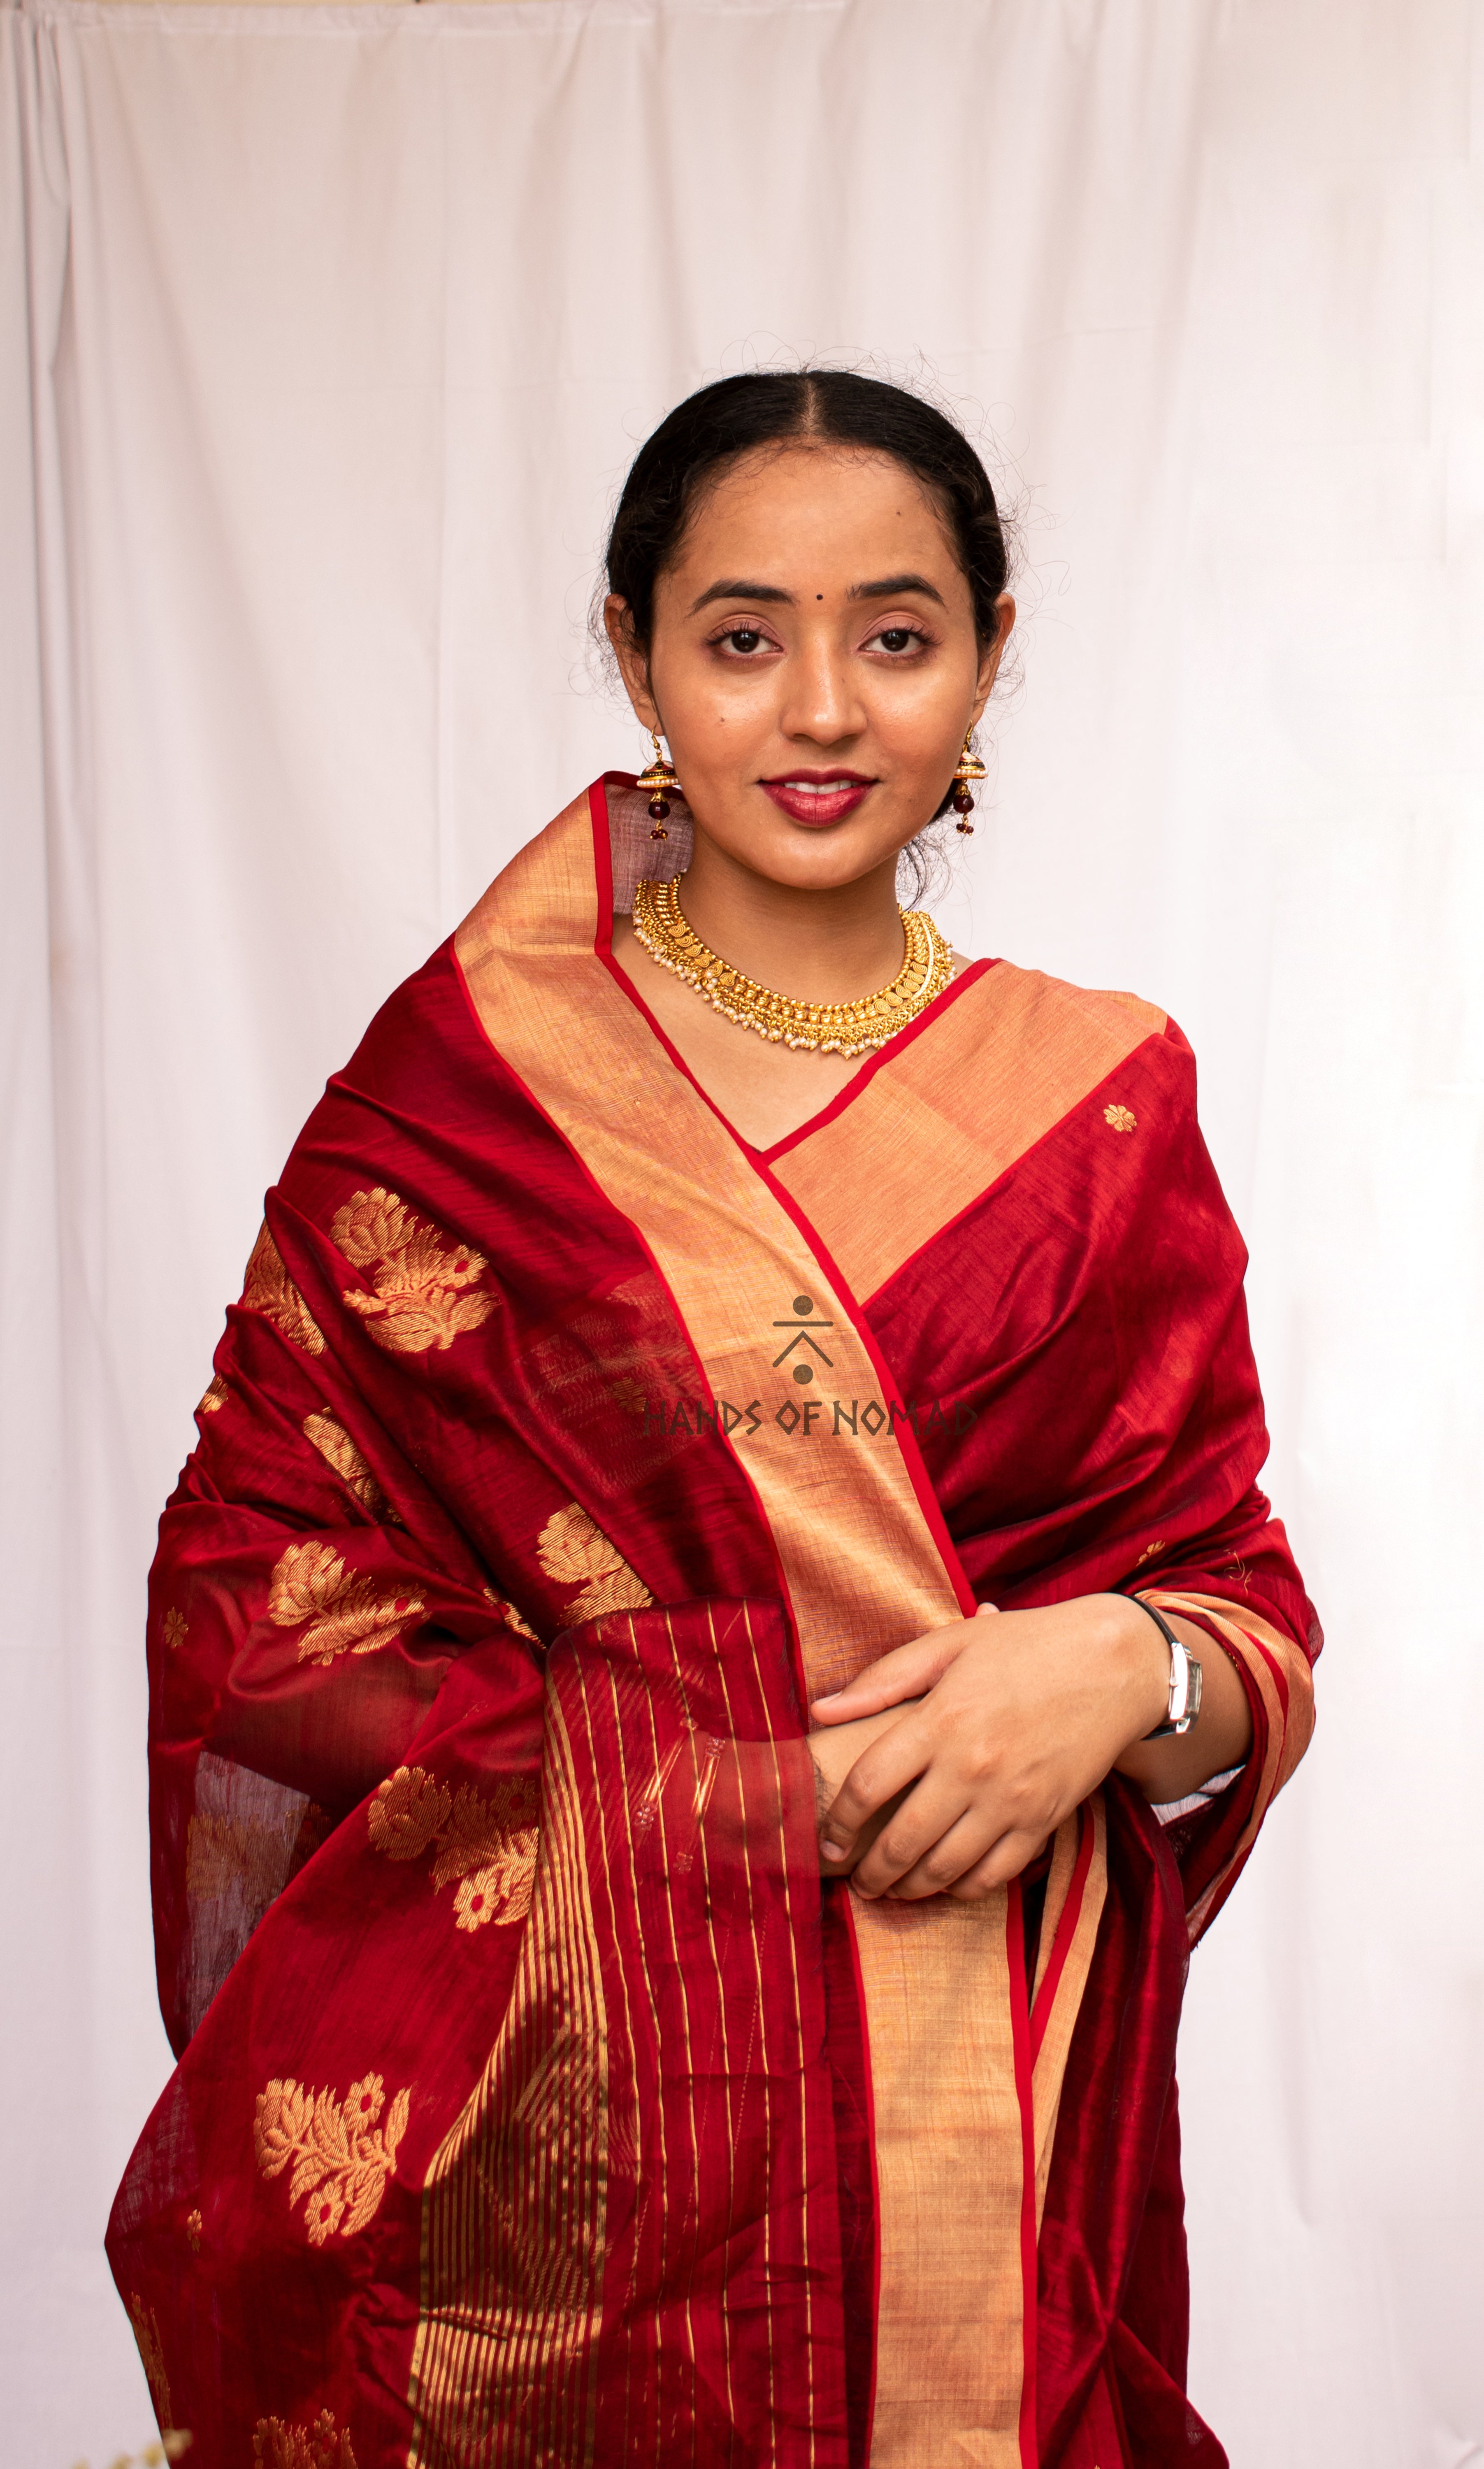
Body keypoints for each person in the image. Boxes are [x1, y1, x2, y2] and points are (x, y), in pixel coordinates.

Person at [108, 370, 1318, 2469]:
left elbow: (1237, 1609)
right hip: (552, 2194)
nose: (823, 710)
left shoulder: (1094, 1102)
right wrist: (716, 1791)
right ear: (635, 651)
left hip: (972, 2144)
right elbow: (256, 1617)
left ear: (990, 653)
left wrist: (1118, 1667)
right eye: (745, 637)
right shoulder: (460, 1103)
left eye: (897, 634)